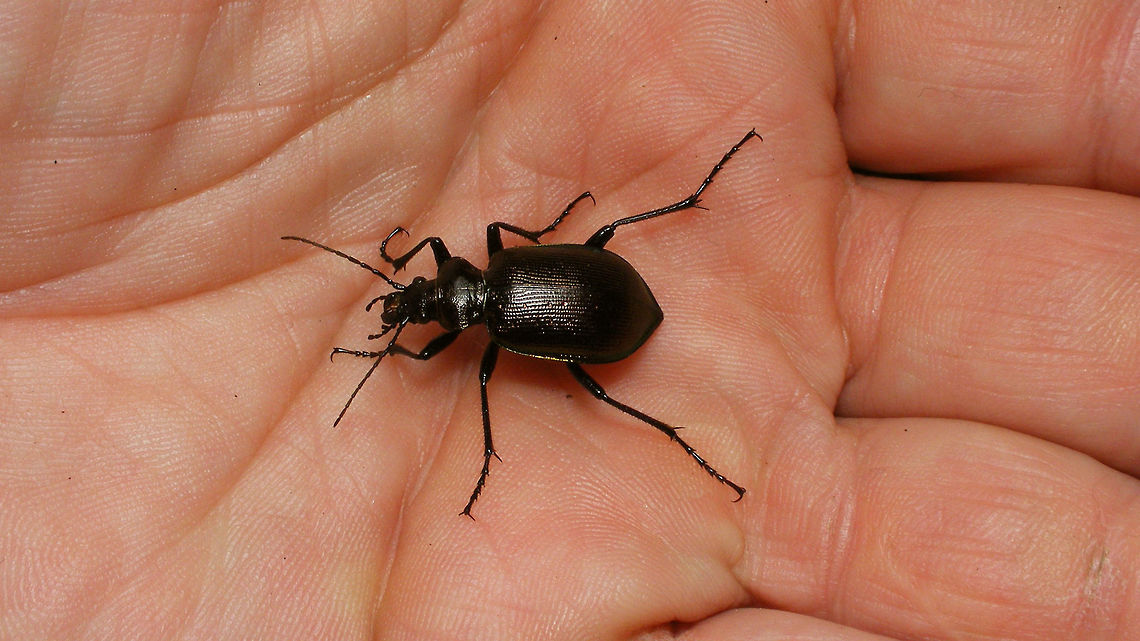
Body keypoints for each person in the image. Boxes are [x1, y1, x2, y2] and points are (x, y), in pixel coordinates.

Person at [1, 2, 1136, 639]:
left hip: (607, 312)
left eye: (415, 303)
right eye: (414, 308)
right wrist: (537, 239)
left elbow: (510, 261)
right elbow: (505, 244)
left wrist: (541, 247)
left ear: (453, 298)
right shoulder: (476, 285)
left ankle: (690, 349)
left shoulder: (485, 327)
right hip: (594, 301)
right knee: (582, 333)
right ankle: (686, 407)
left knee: (587, 366)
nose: (413, 306)